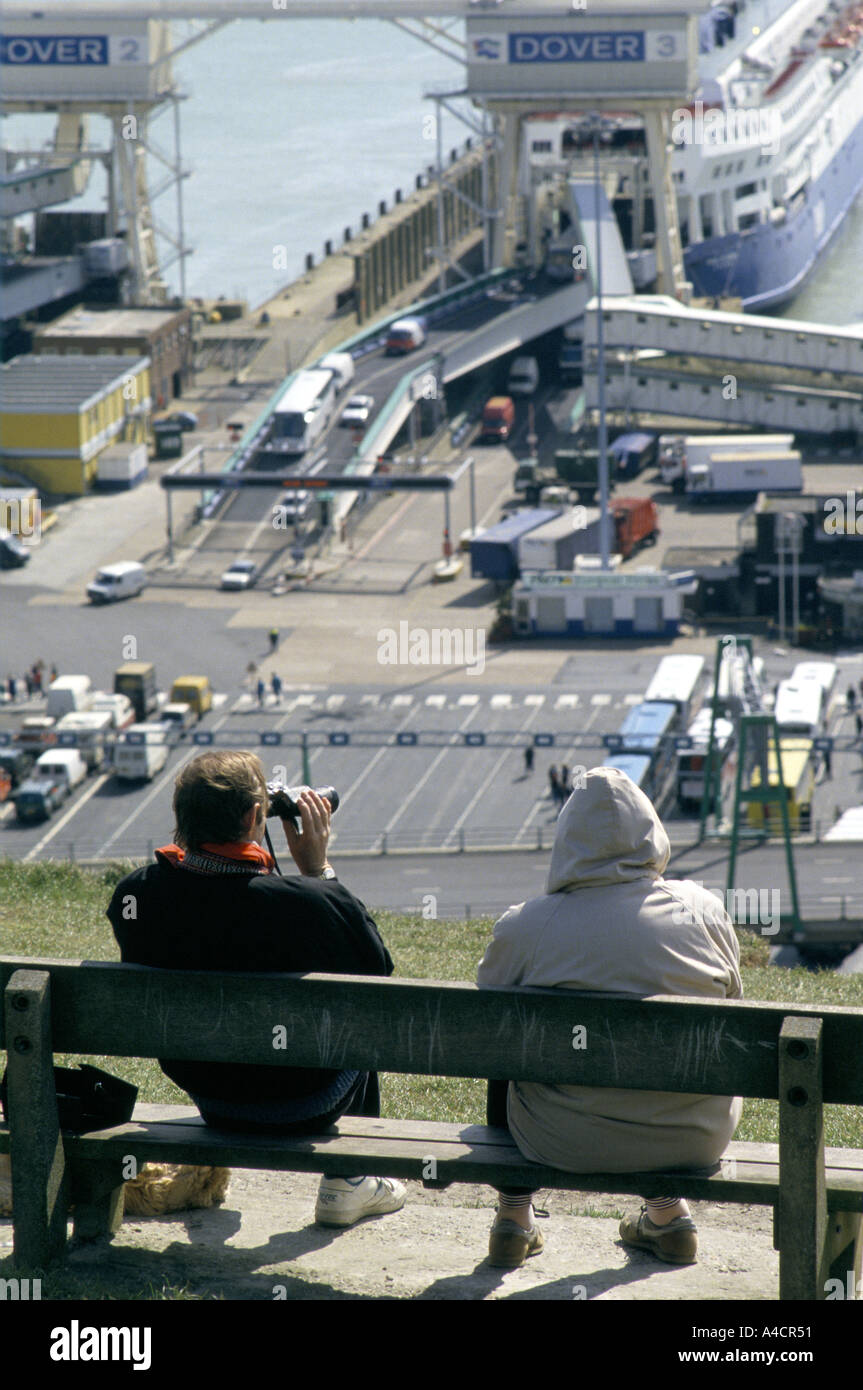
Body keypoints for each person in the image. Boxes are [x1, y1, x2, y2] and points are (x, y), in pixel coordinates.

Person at [106, 750, 405, 1229]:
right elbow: (378, 975)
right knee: (356, 1012)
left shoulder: (136, 895)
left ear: (182, 818)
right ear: (252, 817)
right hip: (307, 1100)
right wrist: (318, 872)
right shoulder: (307, 906)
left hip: (209, 1090)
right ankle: (346, 1181)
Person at [477, 766, 742, 1269]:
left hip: (562, 1138)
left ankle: (513, 1217)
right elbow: (734, 1008)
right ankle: (666, 1214)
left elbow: (486, 1003)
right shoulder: (704, 911)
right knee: (656, 1076)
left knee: (505, 1037)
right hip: (696, 1135)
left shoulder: (527, 926)